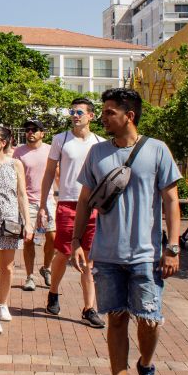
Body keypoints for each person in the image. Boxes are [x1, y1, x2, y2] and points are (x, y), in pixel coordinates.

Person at [72, 88, 182, 375]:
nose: (102, 117)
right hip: (107, 254)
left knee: (149, 320)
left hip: (147, 255)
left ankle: (146, 365)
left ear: (128, 116)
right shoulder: (97, 153)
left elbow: (171, 201)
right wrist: (79, 241)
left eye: (108, 112)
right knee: (116, 319)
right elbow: (84, 201)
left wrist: (173, 247)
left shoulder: (157, 150)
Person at [38, 97, 105, 327]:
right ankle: (53, 292)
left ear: (91, 116)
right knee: (64, 252)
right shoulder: (61, 139)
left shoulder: (100, 143)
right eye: (72, 111)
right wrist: (42, 204)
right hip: (67, 202)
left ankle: (89, 308)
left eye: (79, 112)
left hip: (93, 205)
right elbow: (48, 173)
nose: (75, 115)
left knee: (89, 258)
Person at [0, 125, 33, 335]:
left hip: (11, 222)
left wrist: (28, 222)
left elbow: (22, 194)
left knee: (9, 268)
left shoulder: (15, 164)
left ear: (3, 142)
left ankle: (3, 304)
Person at [13, 119, 57, 291]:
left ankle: (46, 268)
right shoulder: (19, 152)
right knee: (28, 239)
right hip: (27, 201)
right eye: (28, 130)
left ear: (42, 133)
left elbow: (57, 173)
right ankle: (30, 276)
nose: (30, 132)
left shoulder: (50, 150)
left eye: (34, 130)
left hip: (48, 201)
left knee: (53, 238)